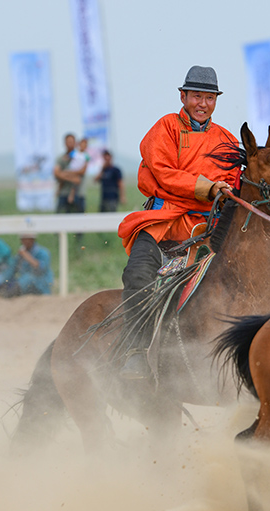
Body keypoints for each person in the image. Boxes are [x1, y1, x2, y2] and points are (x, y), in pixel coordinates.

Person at [116, 65, 239, 378]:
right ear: (183, 96)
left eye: (209, 98)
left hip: (205, 229)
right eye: (196, 96)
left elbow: (232, 182)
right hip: (161, 223)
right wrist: (208, 188)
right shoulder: (165, 128)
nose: (202, 104)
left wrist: (222, 192)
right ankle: (135, 352)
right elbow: (163, 173)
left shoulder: (226, 139)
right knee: (137, 275)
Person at [0, 233, 54, 297]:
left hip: (41, 286)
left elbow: (41, 267)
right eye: (23, 240)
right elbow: (10, 270)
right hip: (26, 287)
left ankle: (10, 294)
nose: (25, 242)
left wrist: (26, 255)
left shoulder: (43, 253)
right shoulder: (19, 256)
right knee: (10, 279)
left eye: (28, 239)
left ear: (33, 240)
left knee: (27, 278)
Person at [53, 133, 87, 214]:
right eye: (68, 142)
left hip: (78, 194)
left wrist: (65, 173)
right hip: (64, 193)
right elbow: (56, 173)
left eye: (72, 142)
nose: (70, 144)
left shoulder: (81, 156)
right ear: (64, 143)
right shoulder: (61, 158)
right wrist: (70, 177)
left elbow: (82, 171)